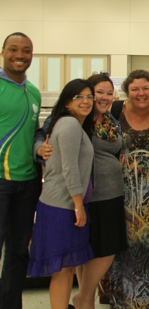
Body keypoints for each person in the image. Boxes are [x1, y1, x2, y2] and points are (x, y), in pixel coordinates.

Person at [35, 74, 129, 309]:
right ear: (69, 100)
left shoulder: (108, 120)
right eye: (95, 93)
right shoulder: (72, 121)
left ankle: (83, 298)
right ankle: (84, 298)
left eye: (109, 93)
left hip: (101, 194)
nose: (100, 98)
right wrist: (40, 148)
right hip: (75, 199)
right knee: (72, 260)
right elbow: (54, 149)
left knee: (87, 253)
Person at [27, 79, 95, 309]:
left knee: (65, 270)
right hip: (62, 207)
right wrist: (78, 205)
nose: (86, 102)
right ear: (67, 102)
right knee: (62, 271)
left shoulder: (72, 124)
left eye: (89, 97)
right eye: (80, 97)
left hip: (63, 205)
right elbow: (69, 168)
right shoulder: (69, 125)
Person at [109, 70, 149, 309]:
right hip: (121, 194)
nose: (141, 93)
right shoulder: (115, 111)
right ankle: (123, 299)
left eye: (145, 88)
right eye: (135, 89)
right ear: (127, 91)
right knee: (125, 247)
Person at [0, 32, 42, 309]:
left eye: (26, 50)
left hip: (27, 183)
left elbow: (35, 133)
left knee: (18, 252)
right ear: (3, 51)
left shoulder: (34, 91)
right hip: (0, 182)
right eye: (14, 49)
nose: (20, 55)